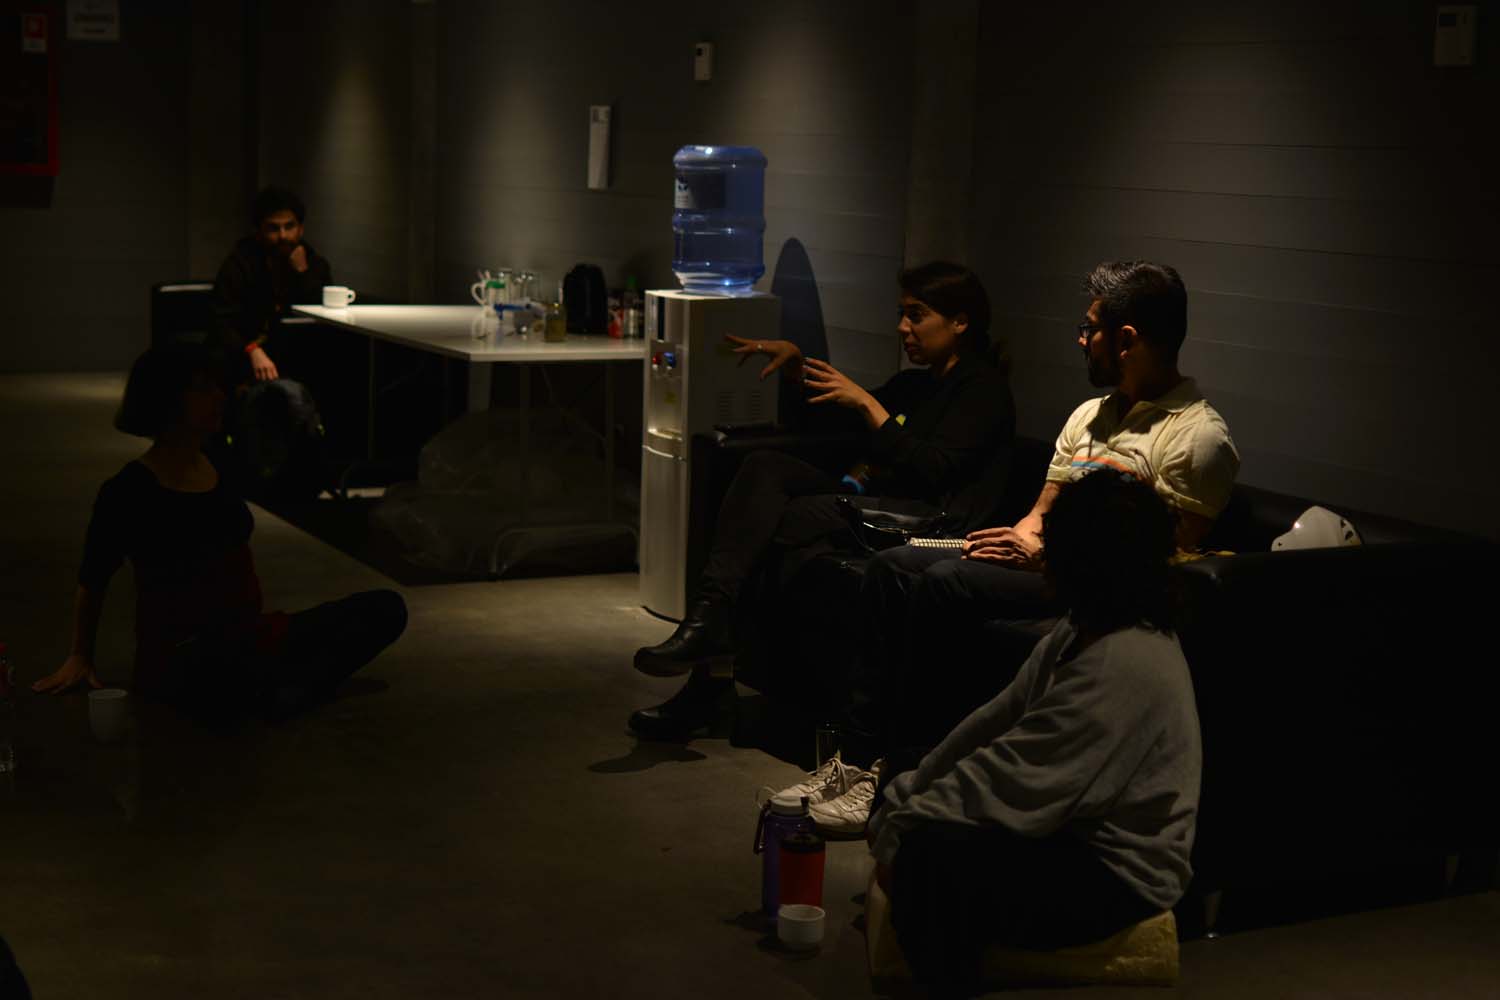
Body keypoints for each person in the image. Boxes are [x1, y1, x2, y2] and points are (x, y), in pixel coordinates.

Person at [850, 260, 1238, 757]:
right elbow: (1040, 512)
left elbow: (1165, 559)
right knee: (892, 566)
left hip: (1102, 590)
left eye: (1089, 329)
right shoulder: (1089, 416)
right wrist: (1016, 540)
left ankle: (907, 760)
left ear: (1125, 340)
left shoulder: (1198, 436)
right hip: (1047, 564)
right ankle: (859, 752)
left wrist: (1049, 557)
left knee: (947, 582)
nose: (1081, 340)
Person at [629, 261, 1016, 741]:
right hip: (883, 506)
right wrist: (797, 372)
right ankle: (710, 624)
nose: (903, 327)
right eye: (901, 314)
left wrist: (870, 407)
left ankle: (711, 670)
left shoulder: (983, 390)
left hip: (934, 523)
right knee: (764, 470)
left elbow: (935, 470)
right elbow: (842, 425)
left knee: (773, 525)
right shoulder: (918, 384)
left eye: (916, 315)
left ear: (960, 322)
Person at [867, 469, 1202, 996]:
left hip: (1118, 872)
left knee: (931, 858)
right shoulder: (1082, 628)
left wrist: (902, 827)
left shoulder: (1125, 661)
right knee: (907, 770)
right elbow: (994, 721)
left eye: (1054, 546)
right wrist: (910, 788)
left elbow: (1016, 779)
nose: (1043, 556)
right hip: (1070, 825)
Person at [31, 344, 406, 717]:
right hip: (187, 654)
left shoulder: (219, 464)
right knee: (224, 671)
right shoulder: (129, 491)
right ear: (167, 400)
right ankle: (279, 691)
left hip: (251, 636)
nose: (219, 397)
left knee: (386, 608)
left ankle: (280, 691)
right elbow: (93, 579)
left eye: (216, 386)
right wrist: (80, 655)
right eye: (203, 389)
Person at [213, 186, 333, 385]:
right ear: (259, 231)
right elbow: (222, 321)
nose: (283, 236)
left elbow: (321, 318)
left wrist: (303, 274)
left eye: (289, 226)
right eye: (274, 228)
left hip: (296, 355)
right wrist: (251, 349)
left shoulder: (315, 264)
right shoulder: (240, 263)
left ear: (301, 229)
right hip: (245, 351)